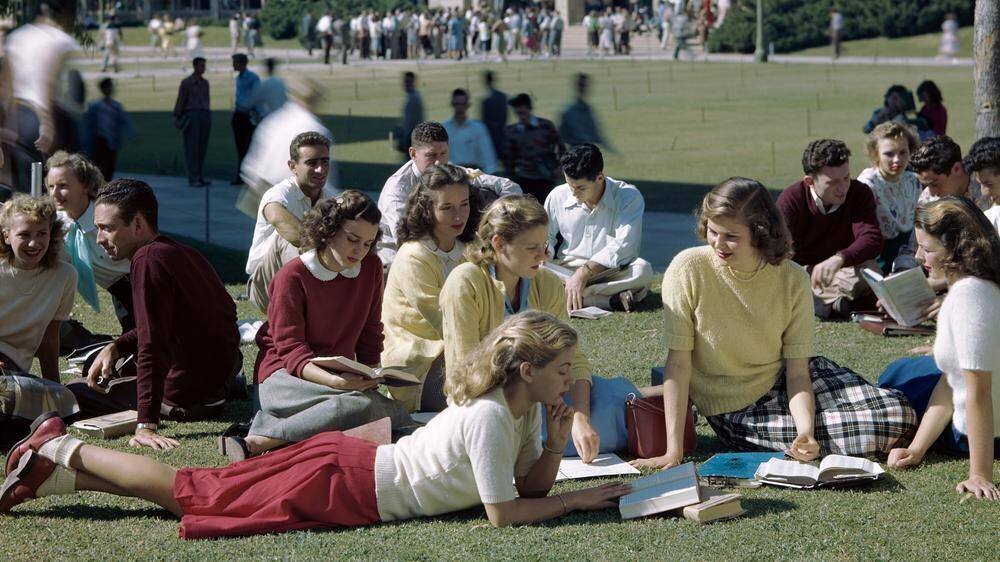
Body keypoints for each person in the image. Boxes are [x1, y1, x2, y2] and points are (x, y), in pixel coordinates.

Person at [1, 312, 632, 536]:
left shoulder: (520, 412)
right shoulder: (494, 416)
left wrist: (553, 442)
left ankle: (53, 472)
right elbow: (504, 515)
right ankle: (60, 444)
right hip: (347, 481)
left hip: (353, 476)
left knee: (196, 492)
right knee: (197, 491)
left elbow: (527, 490)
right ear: (525, 368)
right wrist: (581, 500)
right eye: (563, 369)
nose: (570, 379)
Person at [631, 178, 916, 470]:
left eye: (731, 236)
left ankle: (827, 427)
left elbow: (797, 372)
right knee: (865, 433)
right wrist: (673, 451)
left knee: (899, 413)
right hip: (737, 410)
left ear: (760, 233)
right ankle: (842, 431)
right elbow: (677, 365)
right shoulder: (688, 268)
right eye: (712, 231)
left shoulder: (792, 277)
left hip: (791, 381)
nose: (717, 243)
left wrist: (805, 430)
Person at [222, 191, 411, 461]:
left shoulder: (370, 268)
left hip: (338, 380)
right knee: (358, 407)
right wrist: (336, 382)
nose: (360, 251)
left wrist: (370, 375)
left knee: (391, 413)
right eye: (352, 239)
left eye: (368, 243)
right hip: (284, 378)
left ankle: (294, 436)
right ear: (328, 230)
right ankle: (256, 440)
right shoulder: (293, 276)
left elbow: (370, 332)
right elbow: (291, 352)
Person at [441, 196, 623, 463]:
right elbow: (463, 372)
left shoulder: (546, 282)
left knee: (611, 398)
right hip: (494, 403)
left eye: (545, 245)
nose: (543, 255)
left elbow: (572, 359)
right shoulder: (465, 282)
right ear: (498, 243)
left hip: (546, 393)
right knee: (609, 418)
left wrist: (580, 416)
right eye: (531, 248)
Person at [67, 179, 241, 449]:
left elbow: (152, 343)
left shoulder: (147, 260)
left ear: (137, 224)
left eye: (107, 228)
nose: (99, 239)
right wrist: (117, 346)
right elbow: (196, 319)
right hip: (217, 388)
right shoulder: (181, 252)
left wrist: (145, 425)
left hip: (184, 400)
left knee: (74, 393)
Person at [878, 198, 1000, 501]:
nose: (920, 257)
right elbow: (954, 380)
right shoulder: (981, 284)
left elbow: (978, 391)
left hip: (974, 434)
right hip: (973, 415)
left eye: (928, 249)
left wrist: (980, 474)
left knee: (896, 376)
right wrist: (918, 449)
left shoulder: (970, 295)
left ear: (956, 248)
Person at [382, 164, 479, 412]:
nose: (459, 216)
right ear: (427, 209)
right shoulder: (414, 255)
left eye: (464, 204)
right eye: (447, 208)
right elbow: (445, 322)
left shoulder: (468, 248)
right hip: (421, 365)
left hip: (463, 348)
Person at [376, 121, 520, 267]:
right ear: (413, 154)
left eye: (443, 153)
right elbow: (407, 238)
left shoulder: (448, 170)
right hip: (398, 262)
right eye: (431, 156)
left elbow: (508, 186)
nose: (438, 162)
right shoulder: (397, 190)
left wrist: (500, 217)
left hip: (444, 253)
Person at [0, 195, 78, 447]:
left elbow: (50, 335)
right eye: (24, 235)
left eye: (41, 233)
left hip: (14, 375)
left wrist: (53, 389)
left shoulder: (64, 275)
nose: (34, 243)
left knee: (65, 401)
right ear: (6, 236)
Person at [777, 139, 883, 319]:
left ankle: (822, 305)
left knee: (871, 270)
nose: (842, 188)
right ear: (810, 181)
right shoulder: (791, 199)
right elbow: (779, 249)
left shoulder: (859, 193)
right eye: (832, 182)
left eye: (846, 178)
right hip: (803, 272)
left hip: (845, 270)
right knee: (786, 278)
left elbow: (871, 238)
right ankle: (833, 304)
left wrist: (839, 258)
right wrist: (808, 271)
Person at [544, 144, 652, 312]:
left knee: (642, 270)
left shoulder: (628, 196)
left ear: (600, 178)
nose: (573, 193)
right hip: (566, 268)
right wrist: (546, 249)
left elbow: (625, 246)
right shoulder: (557, 195)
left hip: (608, 271)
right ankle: (607, 301)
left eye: (580, 188)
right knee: (534, 267)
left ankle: (569, 294)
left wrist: (583, 274)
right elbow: (545, 236)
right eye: (569, 185)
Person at [245, 132, 335, 314]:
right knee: (285, 238)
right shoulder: (279, 194)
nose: (320, 169)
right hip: (265, 285)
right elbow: (277, 217)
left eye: (324, 162)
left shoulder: (330, 199)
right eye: (312, 163)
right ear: (293, 166)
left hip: (307, 281)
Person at [45, 151, 132, 326]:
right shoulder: (56, 224)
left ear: (85, 185)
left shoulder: (108, 218)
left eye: (63, 185)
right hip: (120, 294)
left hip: (142, 283)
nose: (55, 193)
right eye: (50, 186)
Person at [5, 1, 80, 194]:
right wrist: (48, 123)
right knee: (63, 182)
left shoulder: (18, 37)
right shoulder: (59, 40)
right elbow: (47, 81)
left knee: (25, 188)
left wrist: (11, 122)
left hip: (21, 114)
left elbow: (11, 85)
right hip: (45, 114)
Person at [857, 122, 923, 272]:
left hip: (909, 252)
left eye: (903, 152)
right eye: (889, 154)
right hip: (876, 257)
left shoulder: (913, 181)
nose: (897, 160)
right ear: (875, 154)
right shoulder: (867, 185)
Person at [504, 94, 563, 202]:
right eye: (518, 113)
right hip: (524, 178)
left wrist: (560, 167)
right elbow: (509, 158)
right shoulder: (512, 132)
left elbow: (561, 147)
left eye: (523, 113)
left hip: (545, 177)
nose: (521, 117)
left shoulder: (546, 126)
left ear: (529, 109)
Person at [911, 136, 990, 209]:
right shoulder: (928, 202)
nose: (932, 193)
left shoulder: (990, 188)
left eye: (935, 184)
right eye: (925, 186)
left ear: (956, 169)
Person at [83, 78, 134, 182]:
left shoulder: (116, 106)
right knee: (99, 166)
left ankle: (106, 186)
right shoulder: (95, 106)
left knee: (110, 166)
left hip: (112, 141)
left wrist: (132, 132)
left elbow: (124, 120)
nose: (111, 89)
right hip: (99, 141)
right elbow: (89, 124)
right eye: (108, 87)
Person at [173, 57, 211, 188]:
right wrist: (177, 115)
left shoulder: (205, 83)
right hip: (192, 114)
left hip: (204, 115)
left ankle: (199, 176)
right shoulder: (187, 83)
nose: (203, 68)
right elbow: (181, 100)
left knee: (202, 147)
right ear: (194, 66)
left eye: (204, 66)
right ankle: (193, 177)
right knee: (192, 148)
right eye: (201, 65)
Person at [443, 89, 499, 174]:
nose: (460, 107)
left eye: (463, 104)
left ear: (468, 105)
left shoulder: (478, 128)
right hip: (452, 175)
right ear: (452, 104)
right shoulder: (445, 129)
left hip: (474, 174)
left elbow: (488, 156)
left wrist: (488, 178)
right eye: (457, 104)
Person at [231, 53, 261, 186]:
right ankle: (241, 174)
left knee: (247, 147)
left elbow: (256, 97)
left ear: (242, 63)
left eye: (235, 63)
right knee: (240, 147)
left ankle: (247, 176)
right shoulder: (238, 78)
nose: (233, 65)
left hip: (247, 115)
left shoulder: (252, 78)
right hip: (238, 114)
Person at [559, 74, 608, 150]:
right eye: (582, 85)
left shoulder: (588, 110)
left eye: (586, 85)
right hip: (575, 154)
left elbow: (596, 134)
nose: (585, 88)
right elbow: (561, 137)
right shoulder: (568, 112)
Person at [963, 137, 1000, 233]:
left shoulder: (994, 216)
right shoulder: (992, 216)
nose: (984, 193)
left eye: (989, 184)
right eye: (981, 184)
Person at [480, 71, 508, 159]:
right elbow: (505, 116)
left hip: (490, 133)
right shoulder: (502, 96)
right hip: (501, 132)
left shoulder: (485, 100)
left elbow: (483, 119)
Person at [399, 72, 424, 156]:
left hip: (411, 140)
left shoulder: (414, 98)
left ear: (413, 82)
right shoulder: (412, 96)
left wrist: (405, 139)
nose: (406, 84)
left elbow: (412, 122)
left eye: (408, 81)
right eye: (405, 81)